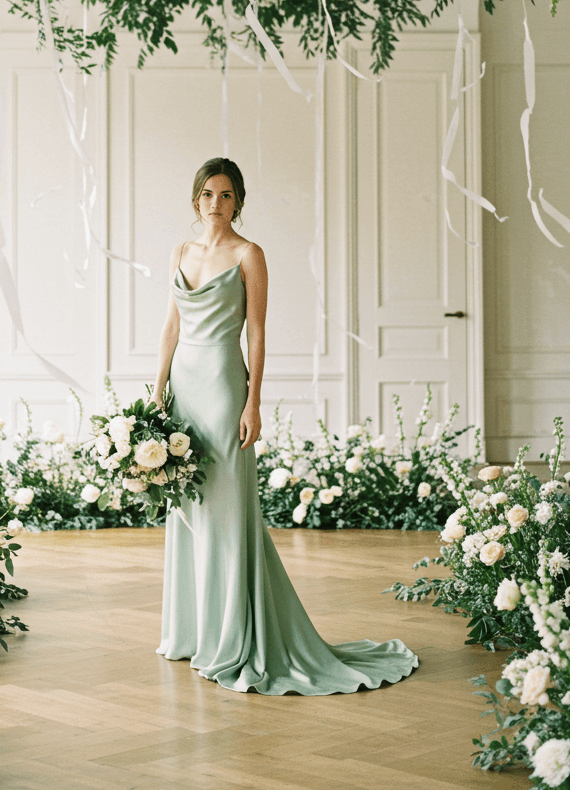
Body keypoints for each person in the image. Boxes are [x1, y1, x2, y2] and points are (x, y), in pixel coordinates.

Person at [152, 155, 419, 695]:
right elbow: (172, 325)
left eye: (226, 195)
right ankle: (193, 630)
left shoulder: (250, 255)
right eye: (208, 193)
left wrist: (253, 402)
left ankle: (231, 638)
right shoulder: (181, 252)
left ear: (239, 202)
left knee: (226, 511)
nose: (216, 204)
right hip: (184, 388)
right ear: (196, 199)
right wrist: (157, 391)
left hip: (224, 386)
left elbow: (257, 335)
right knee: (189, 505)